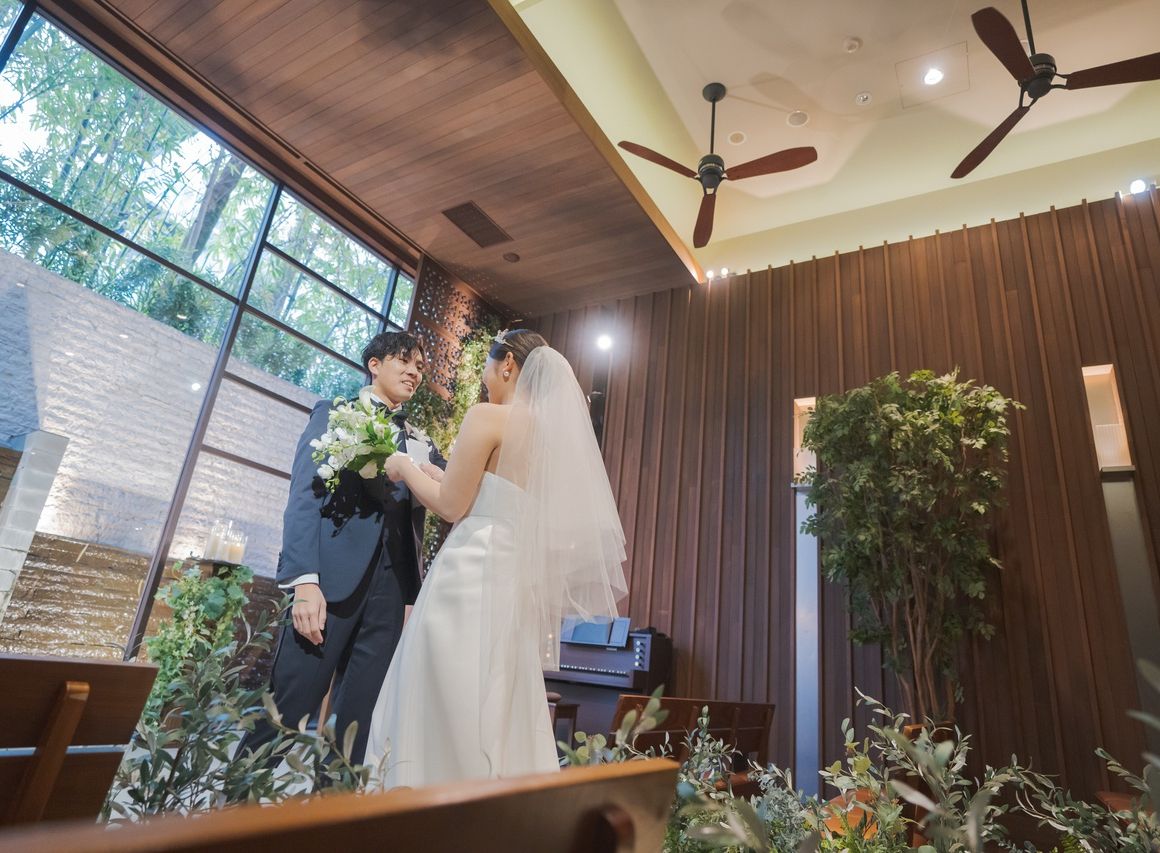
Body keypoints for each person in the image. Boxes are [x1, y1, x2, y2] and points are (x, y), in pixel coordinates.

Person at [363, 329, 628, 787]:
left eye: (488, 366)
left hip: (472, 566)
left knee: (444, 679)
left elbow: (450, 506)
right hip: (511, 574)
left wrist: (403, 465)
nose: (485, 378)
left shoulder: (488, 416)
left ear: (506, 364)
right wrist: (438, 474)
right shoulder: (550, 439)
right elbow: (494, 494)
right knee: (497, 686)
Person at [242, 331, 446, 764]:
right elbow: (304, 498)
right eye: (404, 361)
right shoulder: (334, 414)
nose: (414, 372)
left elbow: (454, 494)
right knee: (286, 709)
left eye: (419, 367)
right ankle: (238, 802)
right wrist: (304, 583)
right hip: (329, 586)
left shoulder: (422, 442)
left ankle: (333, 803)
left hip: (391, 595)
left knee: (356, 723)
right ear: (375, 365)